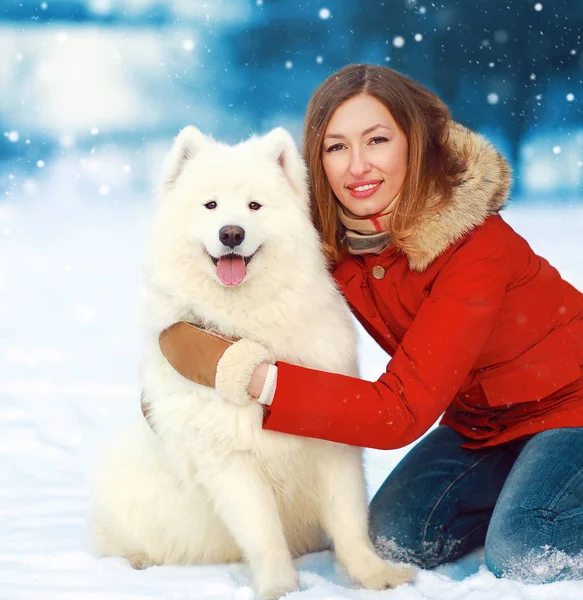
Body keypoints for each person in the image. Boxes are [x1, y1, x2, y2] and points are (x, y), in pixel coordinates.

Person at [157, 64, 583, 583]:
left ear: (414, 143)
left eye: (376, 140)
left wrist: (247, 376)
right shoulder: (332, 240)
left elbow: (399, 413)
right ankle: (540, 487)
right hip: (484, 422)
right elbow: (223, 270)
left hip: (571, 407)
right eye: (337, 147)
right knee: (396, 540)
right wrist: (172, 388)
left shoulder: (475, 246)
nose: (358, 166)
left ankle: (542, 501)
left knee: (524, 552)